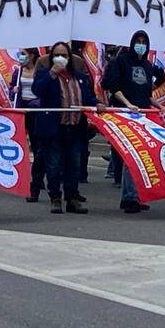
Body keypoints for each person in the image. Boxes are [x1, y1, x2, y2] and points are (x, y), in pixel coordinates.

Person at [102, 30, 165, 214]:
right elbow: (112, 86)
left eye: (144, 41)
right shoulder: (121, 62)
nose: (141, 44)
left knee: (140, 157)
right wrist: (128, 104)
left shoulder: (147, 65)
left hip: (141, 114)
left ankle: (133, 196)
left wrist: (160, 106)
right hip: (125, 112)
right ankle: (129, 197)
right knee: (131, 157)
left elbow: (146, 93)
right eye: (138, 41)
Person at [32, 42, 97, 214]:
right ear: (52, 56)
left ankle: (72, 199)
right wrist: (52, 73)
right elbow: (37, 90)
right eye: (57, 55)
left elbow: (88, 97)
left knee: (73, 165)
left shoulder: (79, 76)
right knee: (53, 165)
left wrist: (98, 104)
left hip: (75, 128)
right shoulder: (45, 74)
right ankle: (55, 198)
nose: (61, 58)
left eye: (65, 55)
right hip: (54, 128)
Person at [11, 47, 46, 202]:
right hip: (23, 110)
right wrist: (14, 89)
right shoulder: (17, 72)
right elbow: (12, 91)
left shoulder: (40, 72)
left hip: (37, 110)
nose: (21, 57)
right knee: (23, 141)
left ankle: (37, 176)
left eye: (24, 54)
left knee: (38, 144)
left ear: (32, 55)